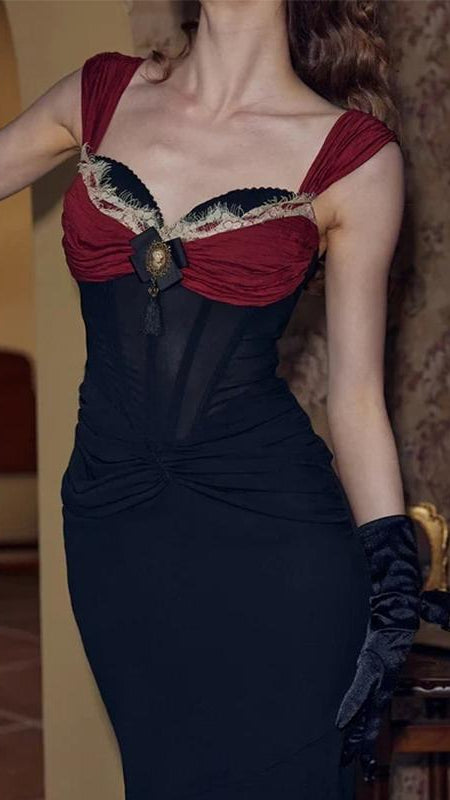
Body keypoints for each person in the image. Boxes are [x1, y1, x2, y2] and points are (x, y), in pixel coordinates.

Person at [1, 1, 447, 798]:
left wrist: (389, 586)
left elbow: (354, 398)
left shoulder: (355, 158)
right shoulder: (99, 93)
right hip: (114, 531)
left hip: (281, 547)